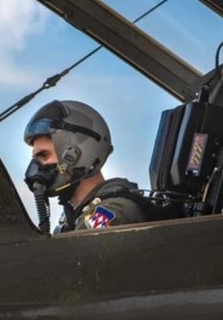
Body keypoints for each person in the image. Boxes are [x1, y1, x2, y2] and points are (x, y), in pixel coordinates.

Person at [22, 99, 156, 233]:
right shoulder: (73, 220)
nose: (35, 168)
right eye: (35, 159)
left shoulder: (114, 213)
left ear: (74, 154)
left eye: (44, 155)